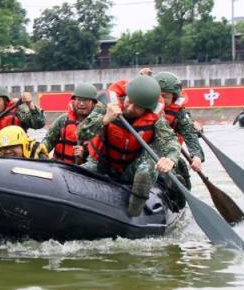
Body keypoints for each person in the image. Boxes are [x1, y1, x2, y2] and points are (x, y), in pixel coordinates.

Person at [79, 75, 180, 217]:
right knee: (80, 172)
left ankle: (133, 213)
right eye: (129, 101)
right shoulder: (106, 104)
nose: (131, 108)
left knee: (147, 169)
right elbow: (81, 134)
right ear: (126, 94)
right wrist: (105, 119)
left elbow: (170, 140)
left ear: (147, 109)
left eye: (138, 107)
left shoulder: (156, 116)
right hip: (103, 162)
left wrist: (171, 158)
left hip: (132, 168)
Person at [152, 72, 204, 198]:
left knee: (180, 166)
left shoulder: (180, 114)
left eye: (165, 96)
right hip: (144, 152)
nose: (161, 100)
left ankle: (178, 195)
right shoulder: (142, 107)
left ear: (174, 98)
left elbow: (190, 135)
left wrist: (196, 156)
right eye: (158, 96)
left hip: (169, 154)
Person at [42, 82, 98, 164]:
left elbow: (101, 156)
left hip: (84, 171)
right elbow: (49, 140)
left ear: (93, 103)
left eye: (86, 100)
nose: (81, 104)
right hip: (60, 168)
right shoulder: (63, 120)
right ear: (74, 101)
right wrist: (41, 148)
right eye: (78, 99)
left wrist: (85, 153)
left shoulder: (99, 124)